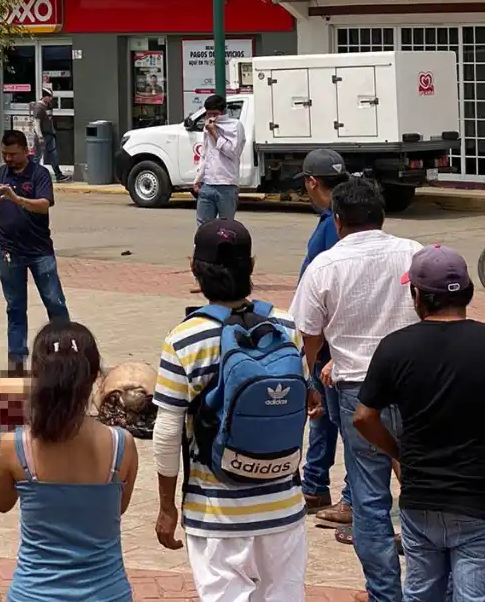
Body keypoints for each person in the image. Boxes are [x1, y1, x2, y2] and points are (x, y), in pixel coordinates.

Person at [153, 219, 317, 601]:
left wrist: (166, 508)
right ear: (252, 267)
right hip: (283, 504)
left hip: (217, 512)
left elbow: (166, 434)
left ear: (194, 268)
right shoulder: (285, 326)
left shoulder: (183, 339)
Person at [290, 178, 422, 602]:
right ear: (381, 215)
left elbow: (307, 335)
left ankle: (385, 594)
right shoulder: (413, 252)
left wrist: (313, 377)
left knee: (369, 499)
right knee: (422, 488)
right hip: (417, 386)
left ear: (337, 219)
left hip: (359, 394)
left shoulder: (325, 266)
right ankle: (426, 585)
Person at [355, 245, 485, 602]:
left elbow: (363, 417)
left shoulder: (395, 347)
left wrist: (397, 451)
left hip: (420, 496)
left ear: (418, 296)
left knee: (420, 591)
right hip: (476, 500)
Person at [0, 321, 138, 602]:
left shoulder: (15, 446)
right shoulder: (122, 445)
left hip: (33, 594)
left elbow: (2, 504)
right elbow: (115, 510)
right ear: (96, 375)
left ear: (36, 374)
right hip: (107, 594)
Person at [0, 129, 70, 372]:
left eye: (13, 154)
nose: (8, 159)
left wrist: (17, 199)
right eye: (4, 154)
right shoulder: (0, 174)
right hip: (9, 252)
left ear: (26, 151)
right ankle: (16, 360)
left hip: (39, 252)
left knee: (54, 303)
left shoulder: (39, 174)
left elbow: (44, 206)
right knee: (15, 308)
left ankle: (67, 353)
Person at [296, 149, 353, 528]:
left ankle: (351, 498)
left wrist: (311, 350)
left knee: (343, 418)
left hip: (332, 339)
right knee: (324, 416)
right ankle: (315, 483)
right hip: (329, 337)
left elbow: (327, 287)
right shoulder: (333, 219)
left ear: (312, 182)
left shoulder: (334, 223)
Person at [192, 94, 246, 227]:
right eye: (208, 114)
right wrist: (198, 179)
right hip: (207, 184)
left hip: (226, 185)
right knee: (203, 226)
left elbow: (233, 153)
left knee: (225, 227)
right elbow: (205, 155)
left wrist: (215, 134)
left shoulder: (235, 126)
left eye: (215, 114)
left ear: (223, 112)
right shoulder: (208, 126)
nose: (211, 117)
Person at [33, 89, 69, 182]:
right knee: (37, 156)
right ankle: (31, 176)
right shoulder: (39, 108)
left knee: (54, 155)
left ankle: (59, 175)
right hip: (42, 136)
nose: (51, 99)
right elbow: (36, 123)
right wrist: (40, 136)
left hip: (50, 135)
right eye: (49, 97)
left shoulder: (48, 106)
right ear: (44, 97)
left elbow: (50, 120)